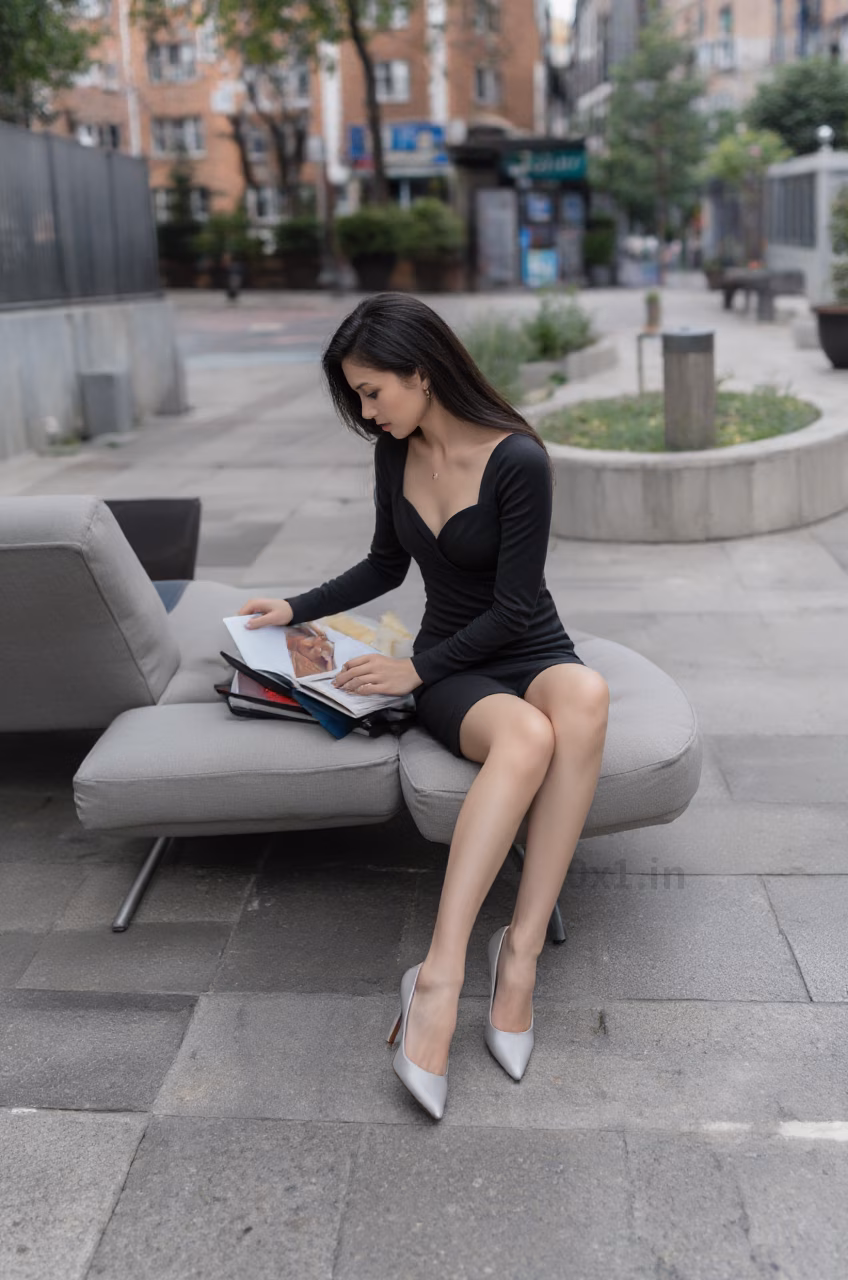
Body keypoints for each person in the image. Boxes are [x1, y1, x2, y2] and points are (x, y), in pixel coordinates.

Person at [237, 291, 609, 1120]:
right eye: (357, 398)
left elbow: (515, 611)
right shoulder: (393, 452)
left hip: (517, 646)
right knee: (522, 739)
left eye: (373, 392)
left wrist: (410, 670)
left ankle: (519, 956)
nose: (367, 414)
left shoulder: (519, 459)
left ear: (422, 372)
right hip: (455, 673)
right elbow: (381, 566)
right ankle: (439, 978)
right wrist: (292, 610)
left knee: (581, 695)